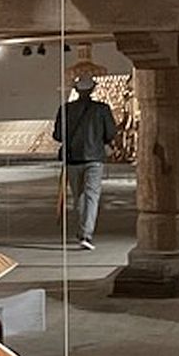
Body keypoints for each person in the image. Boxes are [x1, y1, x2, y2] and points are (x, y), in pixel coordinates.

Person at [52, 72, 117, 250]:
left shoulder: (65, 109)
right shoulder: (102, 109)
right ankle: (86, 234)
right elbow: (111, 133)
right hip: (94, 158)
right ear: (92, 90)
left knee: (78, 196)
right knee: (91, 195)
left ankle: (83, 230)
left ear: (76, 90)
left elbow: (57, 135)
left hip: (73, 159)